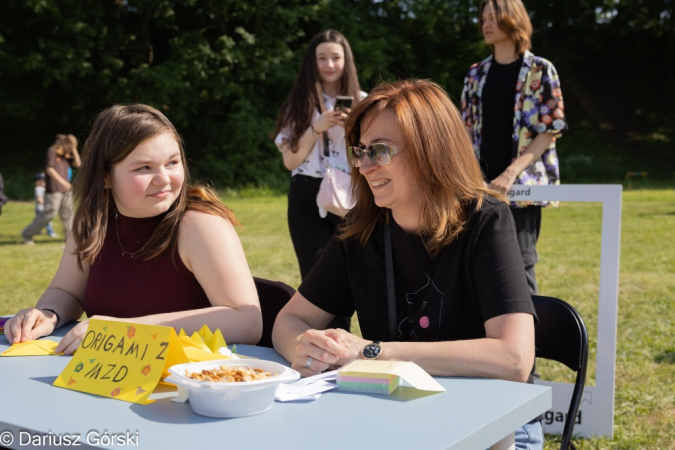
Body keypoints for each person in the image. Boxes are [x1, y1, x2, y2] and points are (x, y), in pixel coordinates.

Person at [272, 79, 542, 448]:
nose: (365, 166)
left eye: (380, 151)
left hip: (495, 425)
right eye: (360, 151)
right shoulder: (360, 231)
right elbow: (288, 321)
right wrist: (303, 346)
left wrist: (370, 352)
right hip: (398, 421)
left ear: (431, 150)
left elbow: (514, 358)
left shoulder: (485, 219)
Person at [5, 104, 262, 354]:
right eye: (144, 168)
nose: (163, 178)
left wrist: (125, 330)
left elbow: (247, 320)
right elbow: (66, 292)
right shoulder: (92, 223)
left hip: (185, 386)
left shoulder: (199, 225)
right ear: (105, 176)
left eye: (172, 163)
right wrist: (48, 314)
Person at [460, 0, 567, 295]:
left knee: (521, 266)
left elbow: (549, 132)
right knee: (475, 266)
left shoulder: (541, 70)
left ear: (513, 20)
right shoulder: (475, 75)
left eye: (494, 17)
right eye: (483, 18)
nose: (486, 24)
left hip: (522, 188)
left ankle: (529, 341)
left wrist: (509, 174)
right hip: (478, 187)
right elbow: (465, 131)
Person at [273, 29, 366, 331]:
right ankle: (325, 347)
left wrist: (354, 126)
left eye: (335, 57)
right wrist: (317, 126)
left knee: (354, 272)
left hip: (350, 193)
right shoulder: (298, 104)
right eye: (322, 58)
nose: (329, 64)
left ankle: (343, 340)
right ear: (311, 63)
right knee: (316, 275)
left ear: (346, 61)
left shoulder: (364, 102)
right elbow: (290, 160)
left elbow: (369, 157)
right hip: (306, 192)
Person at [21, 134, 81, 244]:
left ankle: (71, 239)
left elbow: (78, 164)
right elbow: (49, 169)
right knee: (50, 212)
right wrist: (63, 182)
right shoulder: (52, 151)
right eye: (69, 146)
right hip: (54, 189)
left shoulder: (66, 155)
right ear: (64, 143)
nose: (70, 149)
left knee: (68, 214)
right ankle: (27, 234)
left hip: (66, 190)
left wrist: (74, 149)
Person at [33, 172, 58, 238]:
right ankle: (50, 232)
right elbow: (39, 198)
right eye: (43, 181)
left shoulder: (43, 188)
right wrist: (45, 202)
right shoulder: (38, 188)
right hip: (41, 208)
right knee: (47, 221)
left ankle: (37, 231)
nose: (45, 183)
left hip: (42, 208)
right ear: (37, 182)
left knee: (40, 221)